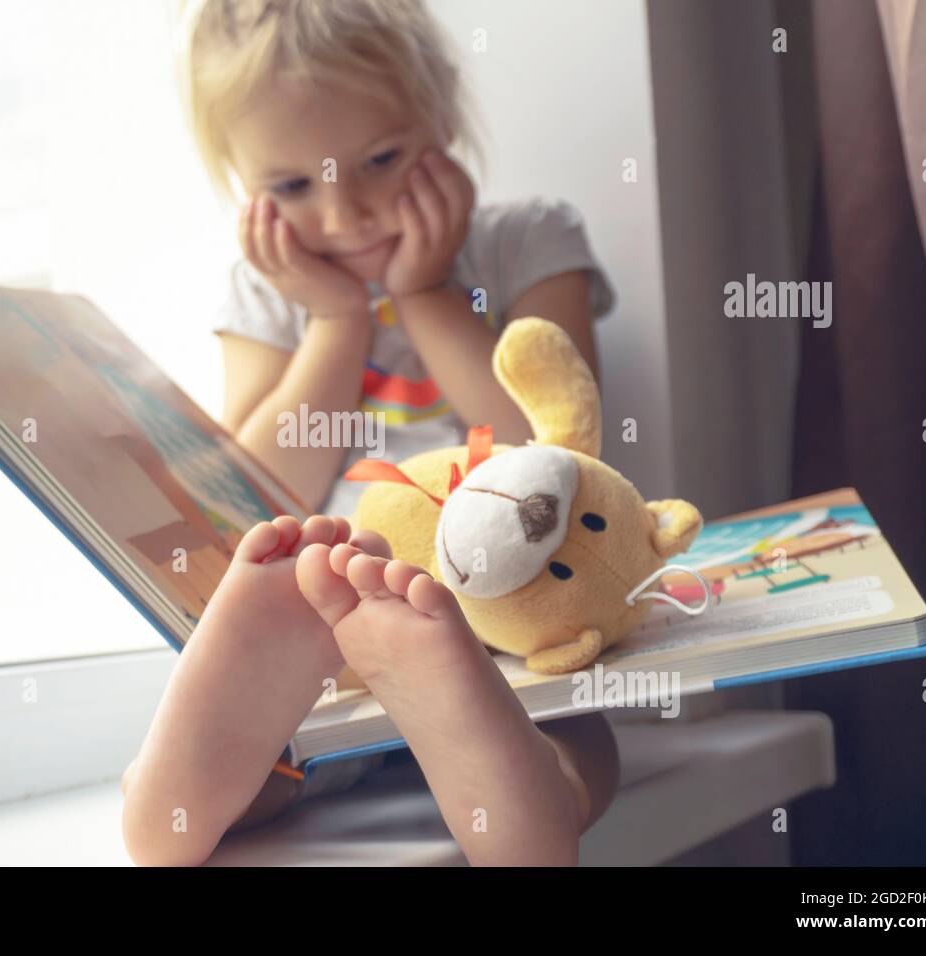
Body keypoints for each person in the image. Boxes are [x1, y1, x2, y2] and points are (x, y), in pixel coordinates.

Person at [121, 0, 620, 866]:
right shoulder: (268, 294)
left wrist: (426, 293)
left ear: (441, 114)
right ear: (242, 183)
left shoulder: (525, 242)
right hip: (327, 637)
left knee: (571, 730)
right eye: (290, 186)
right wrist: (333, 322)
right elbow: (258, 493)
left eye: (380, 160)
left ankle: (470, 717)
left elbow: (555, 451)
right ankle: (183, 792)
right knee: (278, 763)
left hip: (506, 614)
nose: (344, 214)